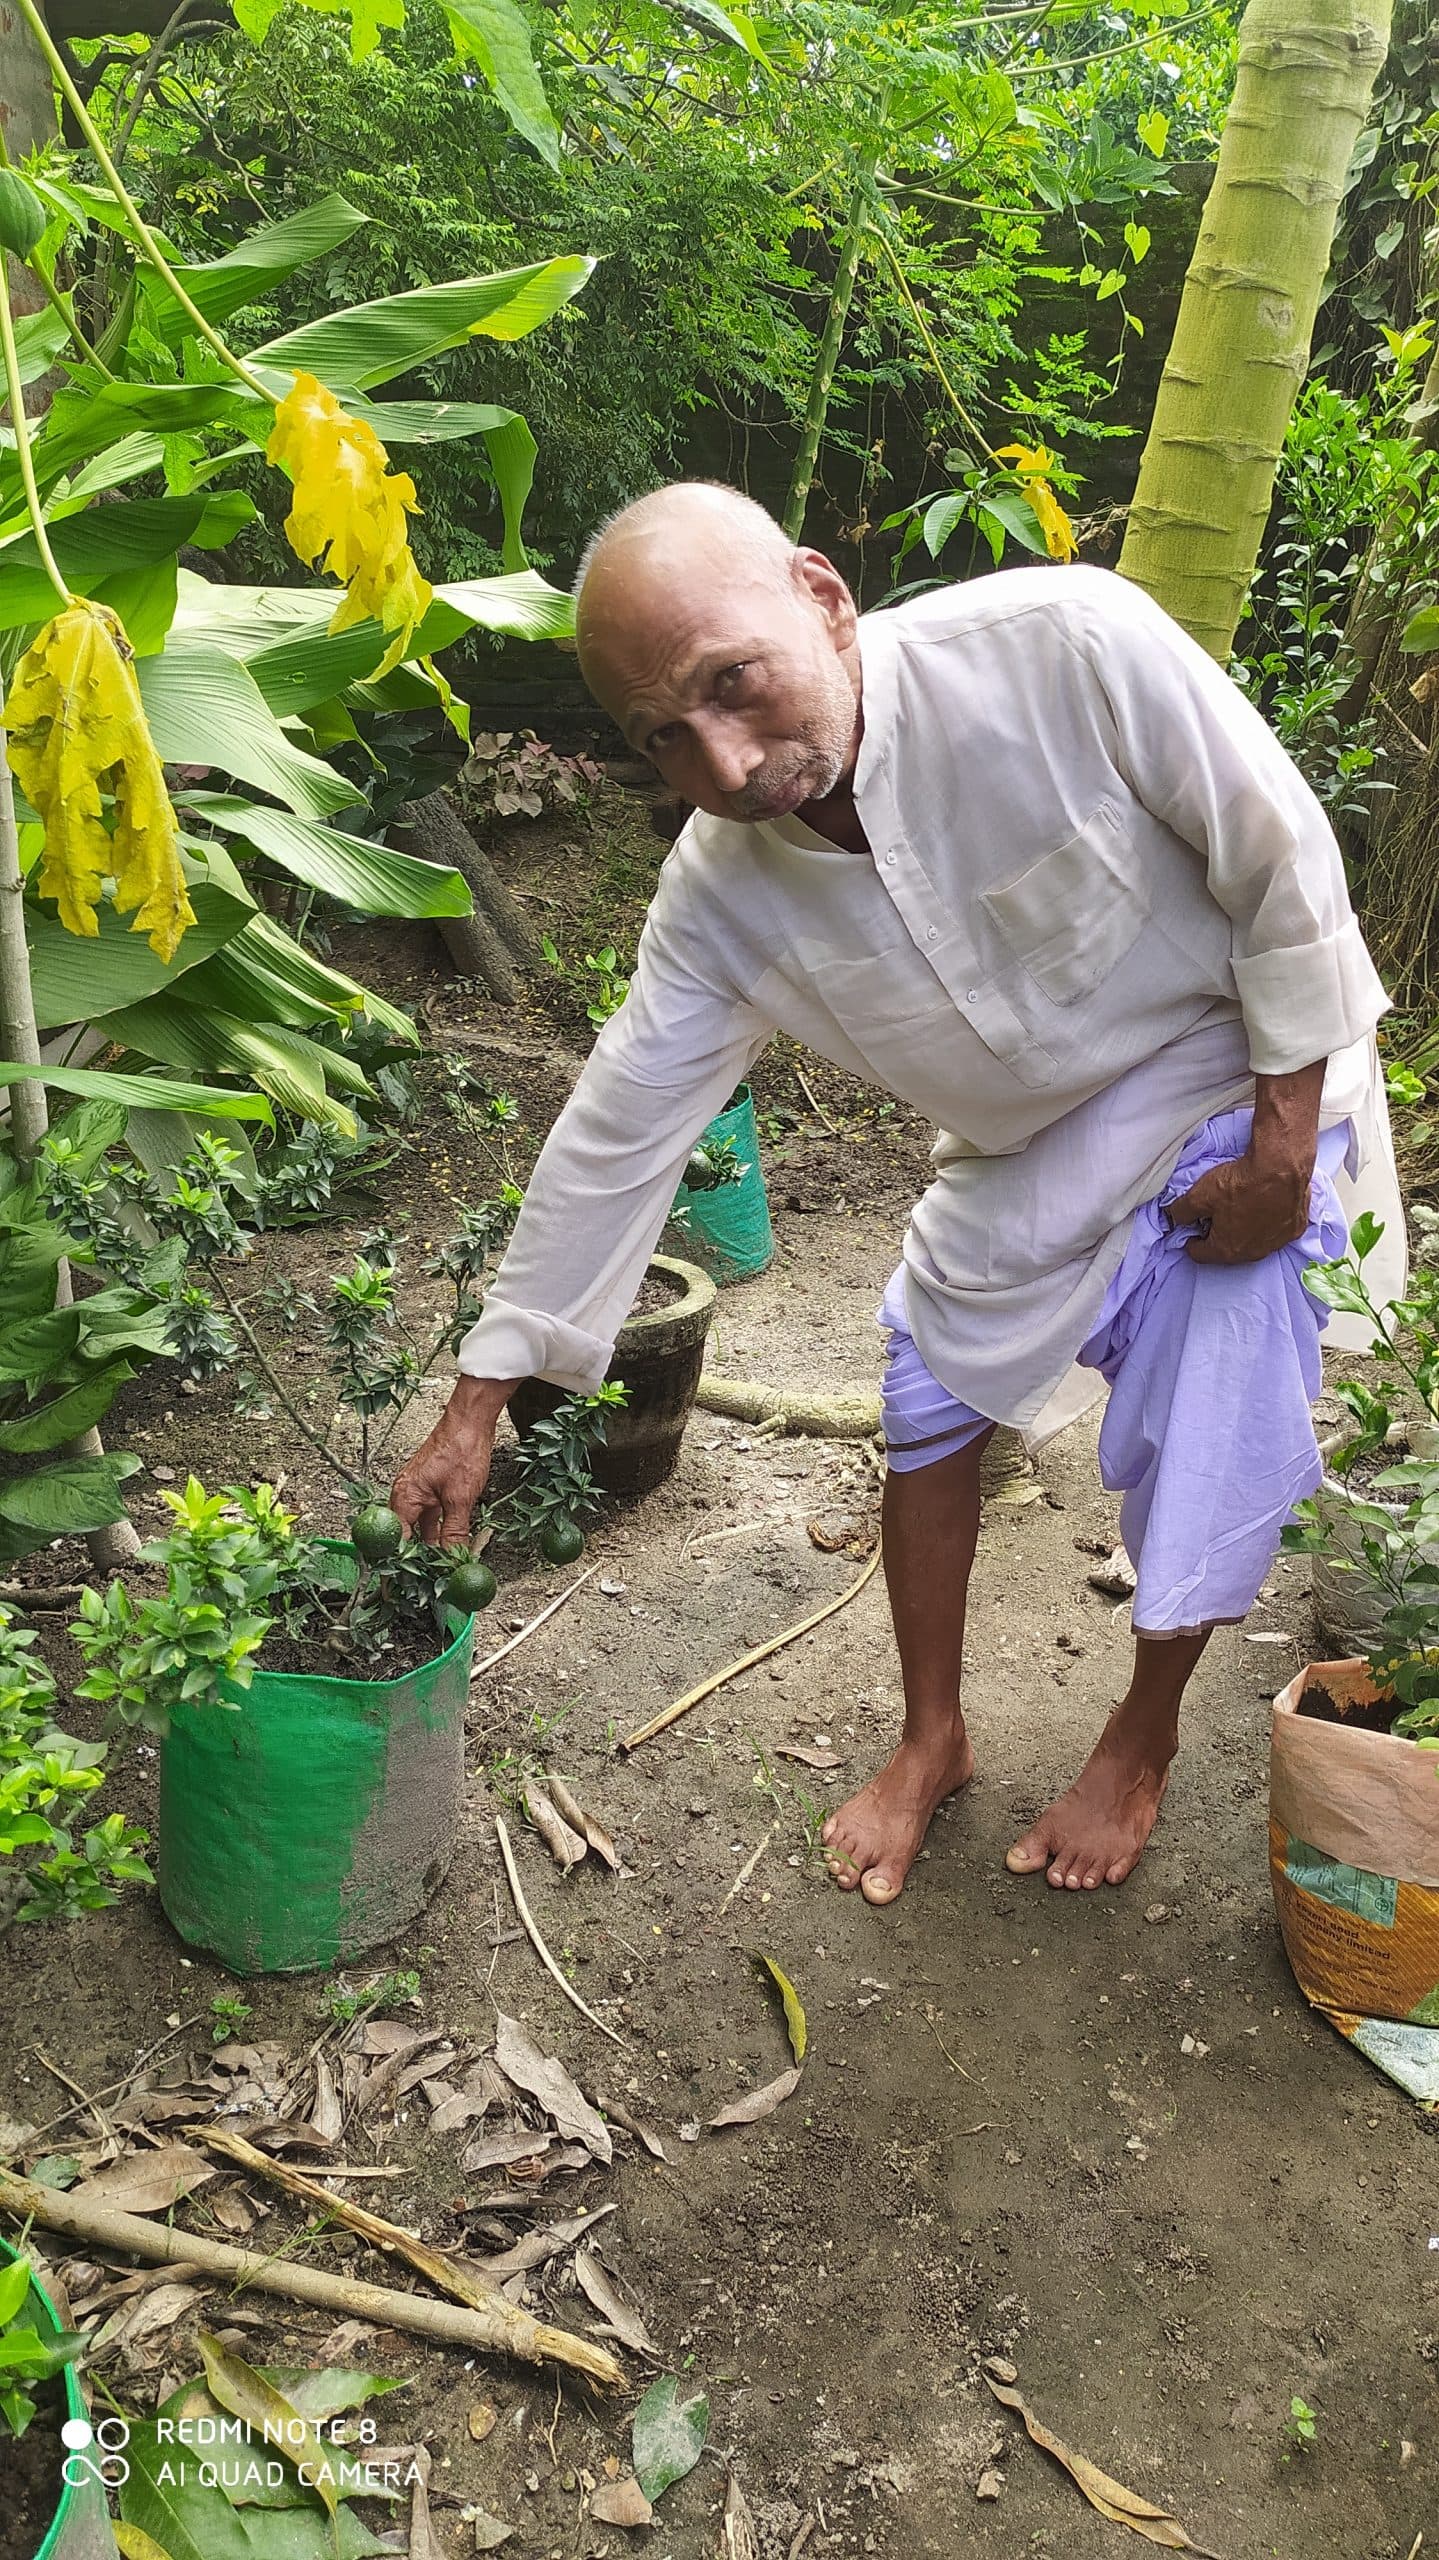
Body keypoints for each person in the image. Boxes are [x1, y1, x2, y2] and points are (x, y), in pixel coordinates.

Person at [392, 481, 1401, 1907]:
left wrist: (1289, 1152)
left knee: (1213, 1383)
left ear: (821, 594)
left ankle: (1143, 1736)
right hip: (1027, 1146)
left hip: (1230, 1062)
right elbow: (621, 1123)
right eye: (661, 737)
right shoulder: (720, 893)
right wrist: (480, 1398)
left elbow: (1280, 860)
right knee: (928, 1387)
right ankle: (932, 1738)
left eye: (729, 685)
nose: (727, 761)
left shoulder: (1067, 644)